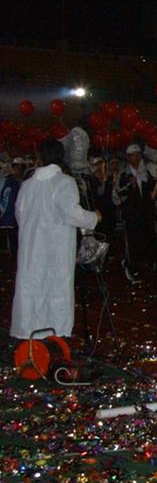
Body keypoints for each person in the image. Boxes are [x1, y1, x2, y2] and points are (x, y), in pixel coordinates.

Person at [10, 140, 101, 340]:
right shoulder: (64, 182)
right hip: (56, 248)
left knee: (31, 287)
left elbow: (20, 214)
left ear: (40, 158)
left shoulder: (27, 185)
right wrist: (94, 217)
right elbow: (72, 213)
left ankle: (28, 333)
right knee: (57, 288)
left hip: (31, 248)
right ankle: (56, 334)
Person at [116, 144, 157, 282]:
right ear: (128, 157)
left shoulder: (146, 172)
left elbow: (153, 189)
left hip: (146, 213)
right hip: (131, 214)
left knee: (146, 240)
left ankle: (145, 266)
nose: (137, 157)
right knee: (133, 242)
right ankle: (131, 268)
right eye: (134, 155)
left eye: (139, 154)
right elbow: (118, 193)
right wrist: (129, 185)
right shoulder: (124, 174)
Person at [0, 157, 25, 255]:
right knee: (6, 246)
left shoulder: (24, 182)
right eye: (16, 167)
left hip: (17, 219)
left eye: (21, 167)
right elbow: (4, 198)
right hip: (7, 218)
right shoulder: (8, 181)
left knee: (15, 245)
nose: (18, 169)